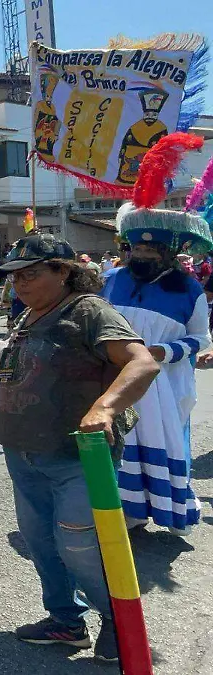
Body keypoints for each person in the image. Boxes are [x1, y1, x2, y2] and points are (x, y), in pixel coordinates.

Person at [0, 232, 159, 664]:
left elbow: (142, 362)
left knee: (78, 547)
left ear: (64, 272)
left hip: (76, 457)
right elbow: (37, 364)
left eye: (31, 274)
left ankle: (118, 622)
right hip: (23, 452)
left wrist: (105, 407)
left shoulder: (89, 310)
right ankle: (65, 622)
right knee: (41, 542)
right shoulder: (30, 314)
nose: (18, 284)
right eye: (14, 276)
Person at [100, 135, 212, 534]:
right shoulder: (110, 279)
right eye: (136, 251)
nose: (141, 257)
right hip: (115, 378)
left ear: (168, 252)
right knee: (120, 445)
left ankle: (170, 508)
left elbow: (202, 339)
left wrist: (164, 352)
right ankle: (129, 509)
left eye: (151, 253)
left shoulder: (188, 289)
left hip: (165, 384)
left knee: (166, 443)